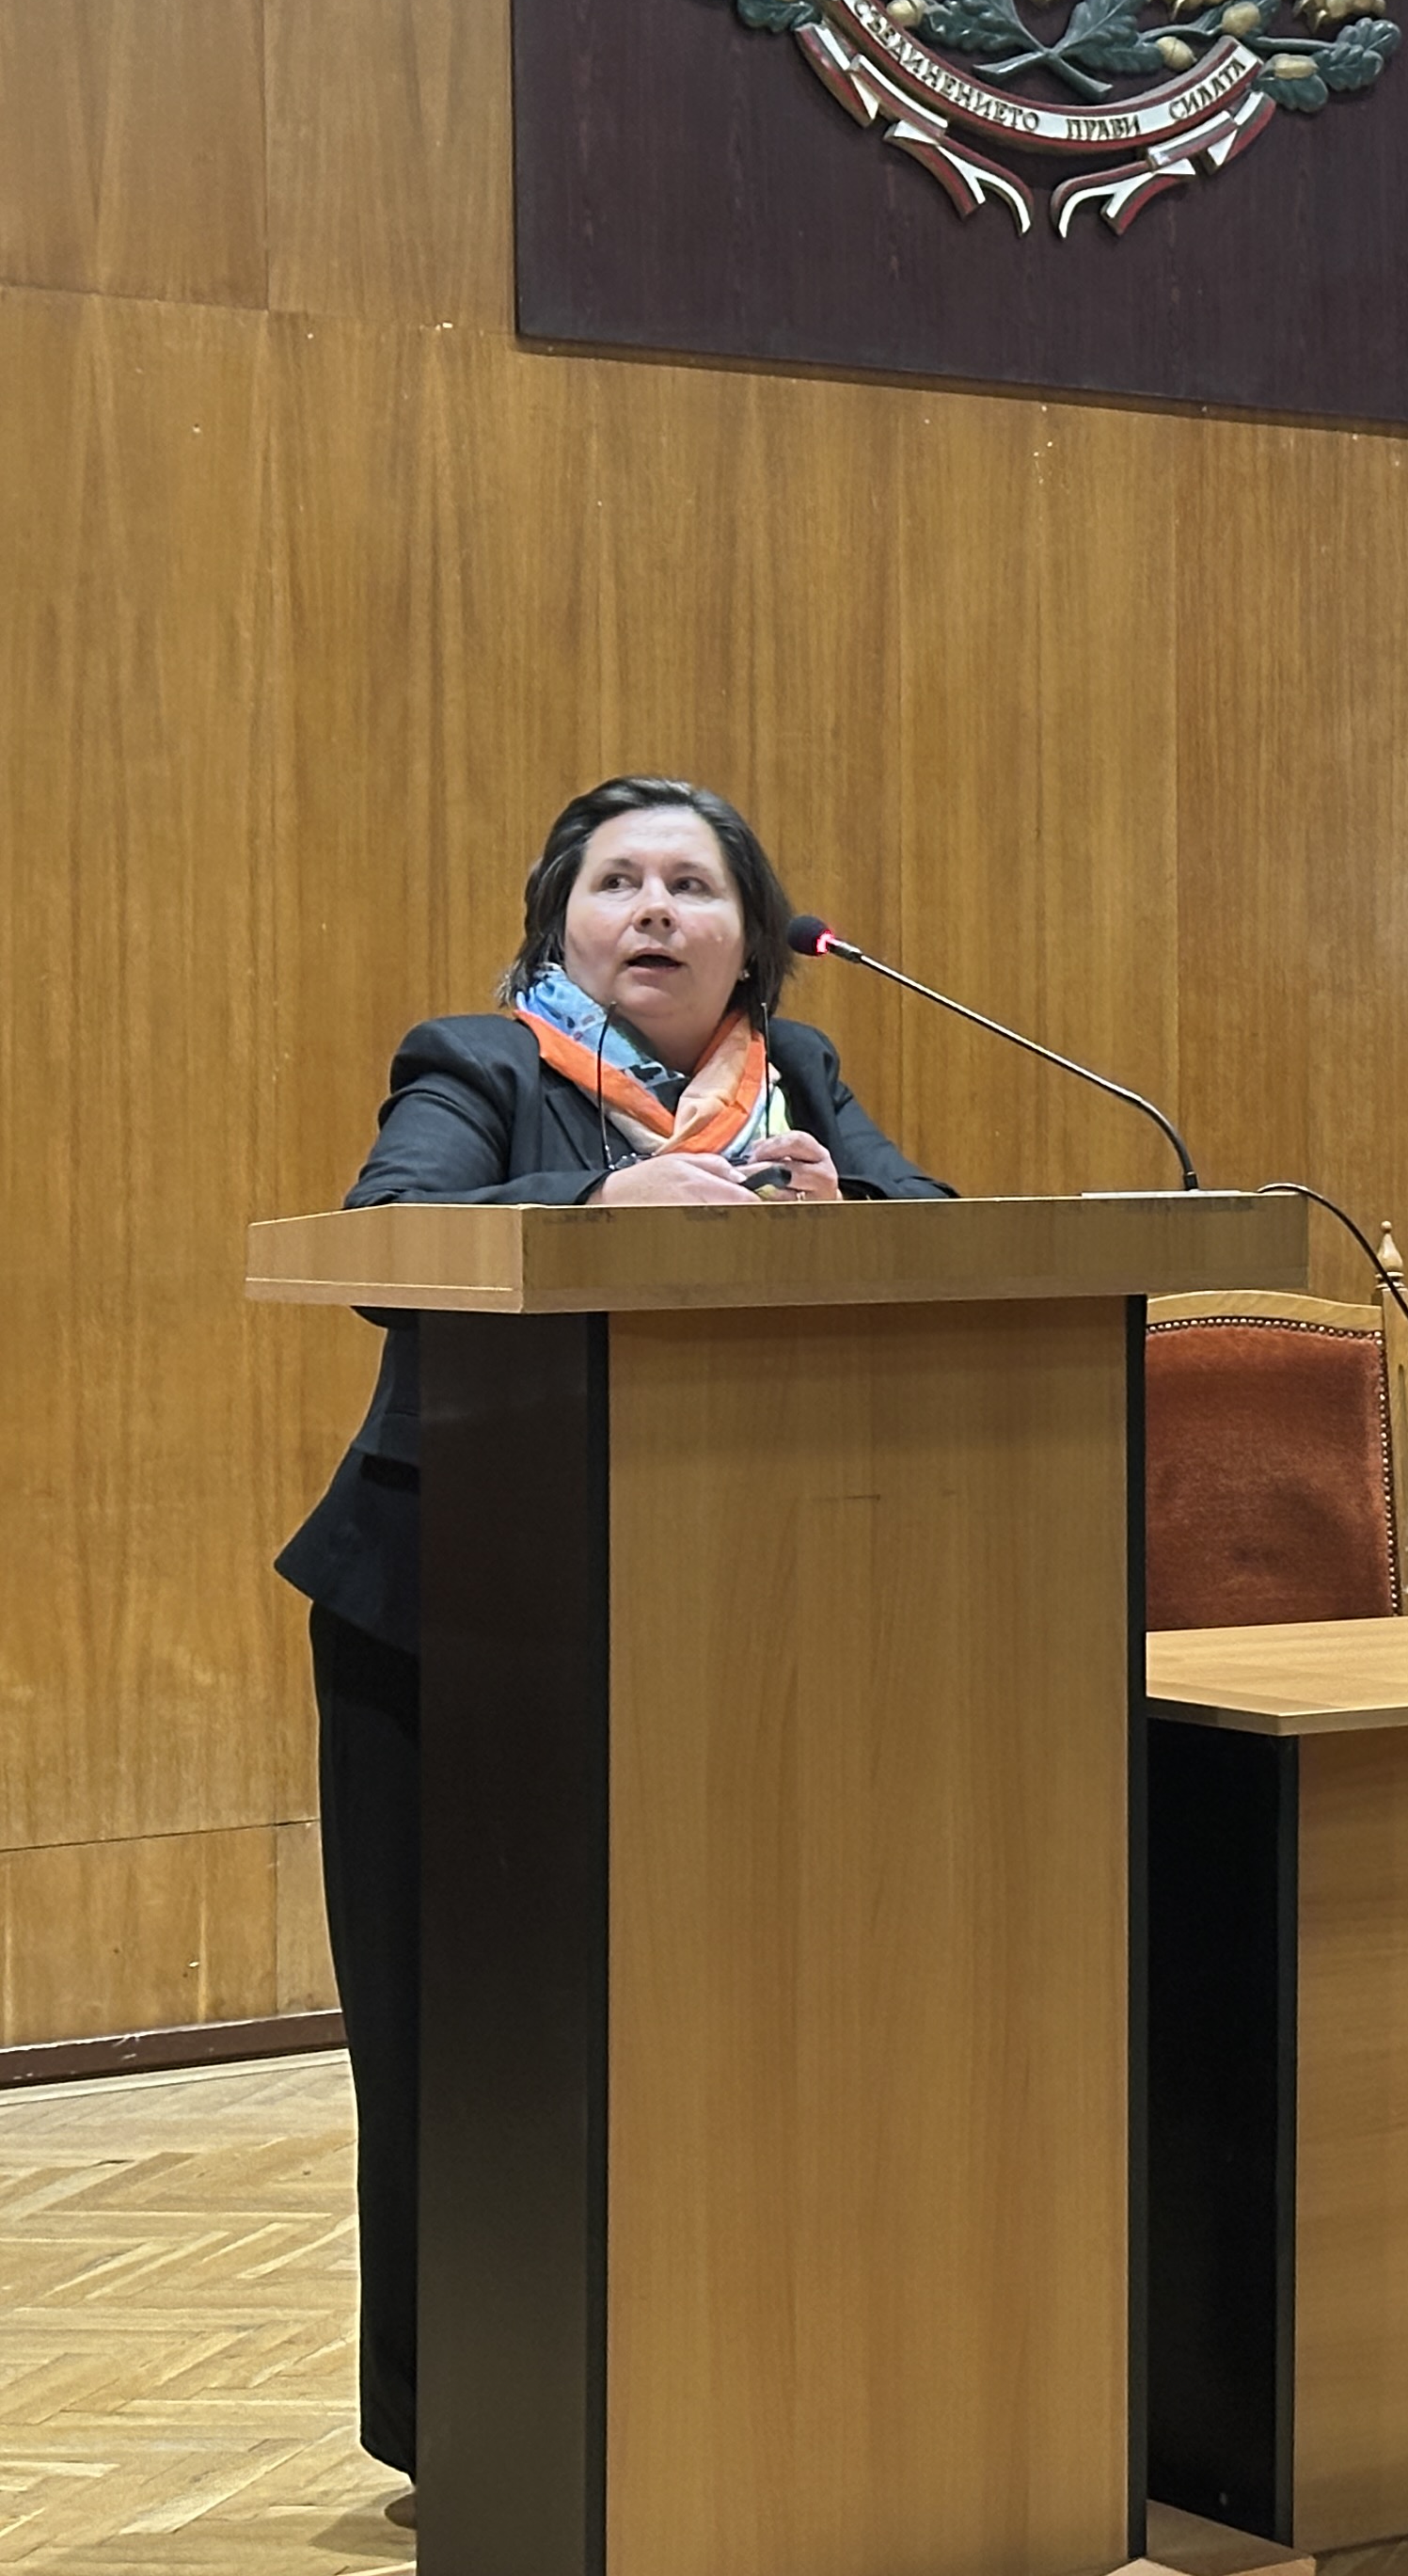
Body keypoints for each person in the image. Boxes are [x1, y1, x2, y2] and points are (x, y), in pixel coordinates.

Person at [272, 778, 948, 2507]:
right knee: (464, 2037)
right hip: (461, 1619)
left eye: (691, 885)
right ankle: (470, 2426)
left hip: (741, 1623)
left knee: (726, 2022)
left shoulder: (800, 1082)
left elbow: (947, 1227)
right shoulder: (477, 1065)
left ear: (754, 939)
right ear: (559, 923)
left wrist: (851, 1215)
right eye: (617, 881)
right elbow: (386, 1236)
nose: (652, 909)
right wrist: (595, 1211)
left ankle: (728, 2385)